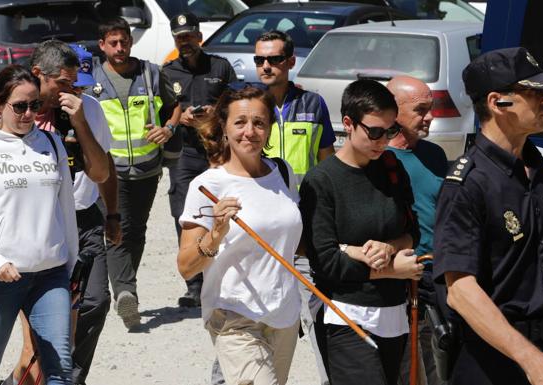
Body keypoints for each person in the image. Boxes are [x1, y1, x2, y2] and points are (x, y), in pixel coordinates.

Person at [0, 41, 120, 385]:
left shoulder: (74, 119)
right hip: (4, 260)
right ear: (39, 76)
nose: (70, 91)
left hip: (61, 244)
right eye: (63, 84)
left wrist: (79, 121)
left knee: (77, 333)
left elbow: (96, 176)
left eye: (75, 84)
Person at [433, 47, 543, 385]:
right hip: (495, 361)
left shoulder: (539, 170)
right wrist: (532, 361)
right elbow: (460, 290)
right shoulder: (468, 183)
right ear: (496, 102)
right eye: (534, 93)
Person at [0, 64, 78, 385]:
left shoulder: (51, 144)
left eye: (35, 105)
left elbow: (66, 211)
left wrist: (70, 263)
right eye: (19, 106)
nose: (28, 114)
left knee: (60, 369)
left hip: (50, 275)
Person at [299, 79, 424, 385]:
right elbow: (325, 262)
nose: (383, 141)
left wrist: (390, 247)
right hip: (345, 315)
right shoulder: (321, 180)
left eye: (391, 131)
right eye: (375, 132)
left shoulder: (392, 167)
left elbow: (413, 232)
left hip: (396, 314)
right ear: (348, 124)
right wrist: (393, 270)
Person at [177, 85, 302, 385]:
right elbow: (186, 266)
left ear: (270, 128)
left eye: (259, 122)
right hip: (234, 315)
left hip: (284, 315)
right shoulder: (208, 185)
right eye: (240, 122)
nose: (250, 131)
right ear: (223, 127)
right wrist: (216, 234)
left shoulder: (283, 173)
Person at [251, 29, 336, 385]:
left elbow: (327, 160)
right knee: (251, 316)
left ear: (290, 62)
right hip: (263, 228)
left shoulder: (314, 104)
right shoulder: (249, 105)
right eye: (259, 60)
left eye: (273, 59)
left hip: (308, 229)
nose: (265, 66)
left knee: (318, 313)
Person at [89, 17, 181, 329]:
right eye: (113, 43)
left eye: (124, 41)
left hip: (146, 168)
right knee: (117, 229)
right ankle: (126, 292)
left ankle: (125, 288)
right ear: (102, 45)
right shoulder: (91, 78)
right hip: (109, 172)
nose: (120, 48)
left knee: (137, 231)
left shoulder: (151, 72)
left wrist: (168, 128)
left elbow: (175, 107)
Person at [162, 12, 237, 308]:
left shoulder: (220, 67)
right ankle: (194, 283)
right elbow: (163, 111)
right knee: (185, 213)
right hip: (185, 153)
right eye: (180, 38)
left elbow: (235, 102)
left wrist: (214, 112)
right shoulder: (167, 72)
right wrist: (183, 118)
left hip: (217, 152)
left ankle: (222, 273)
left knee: (225, 209)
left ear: (199, 37)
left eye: (190, 36)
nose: (186, 42)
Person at [386, 75, 448, 385]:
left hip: (443, 276)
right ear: (393, 112)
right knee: (412, 368)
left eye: (431, 108)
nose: (430, 116)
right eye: (421, 109)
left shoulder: (435, 155)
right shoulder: (380, 158)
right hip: (406, 279)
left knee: (442, 362)